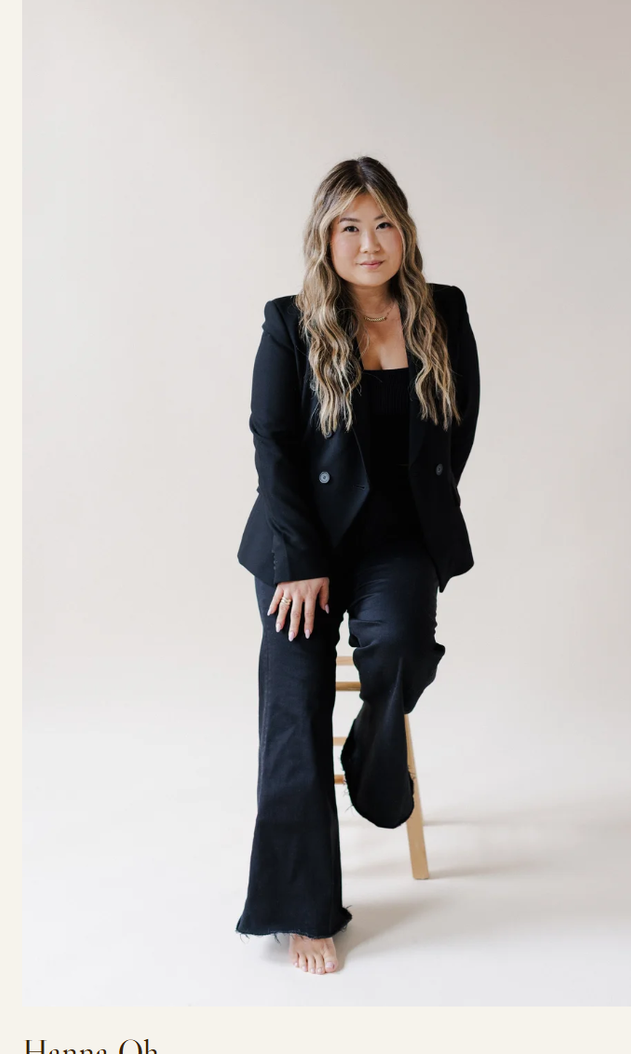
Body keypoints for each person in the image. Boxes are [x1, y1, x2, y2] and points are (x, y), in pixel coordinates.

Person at [234, 157, 479, 975]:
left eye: (382, 225)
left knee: (403, 644)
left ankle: (373, 756)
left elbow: (457, 432)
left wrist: (422, 522)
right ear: (325, 239)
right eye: (350, 227)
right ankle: (305, 909)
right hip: (300, 546)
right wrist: (300, 562)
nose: (369, 243)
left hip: (395, 545)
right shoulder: (290, 322)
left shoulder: (442, 314)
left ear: (403, 231)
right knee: (293, 701)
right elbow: (274, 447)